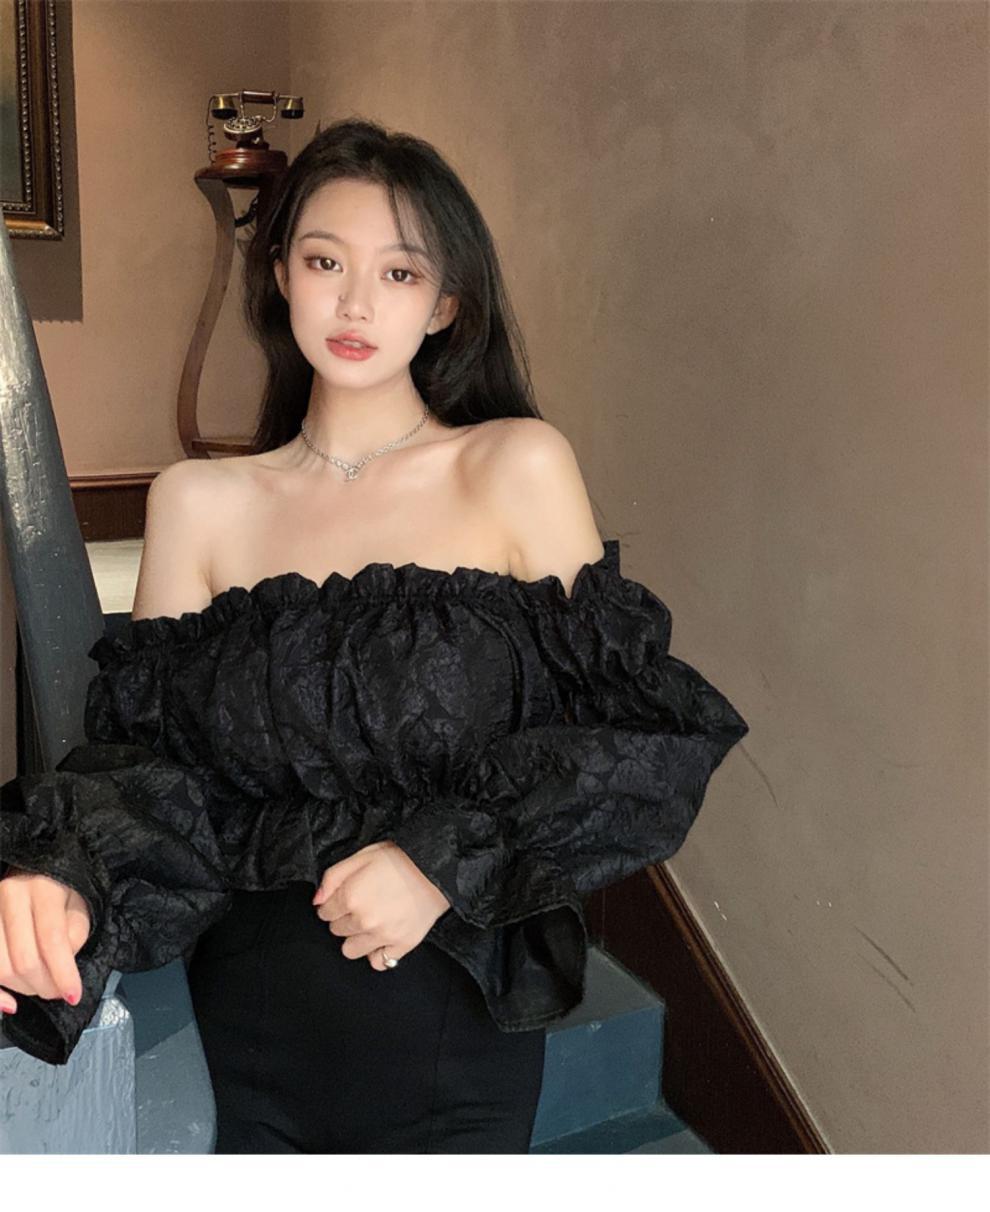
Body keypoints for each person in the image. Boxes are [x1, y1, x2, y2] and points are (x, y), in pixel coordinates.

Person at [0, 117, 749, 1153]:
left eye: (399, 273)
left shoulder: (514, 465)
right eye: (325, 262)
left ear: (446, 304)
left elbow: (641, 736)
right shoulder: (197, 501)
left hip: (455, 1013)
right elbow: (147, 770)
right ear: (280, 277)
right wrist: (60, 869)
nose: (355, 302)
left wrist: (440, 859)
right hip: (254, 1015)